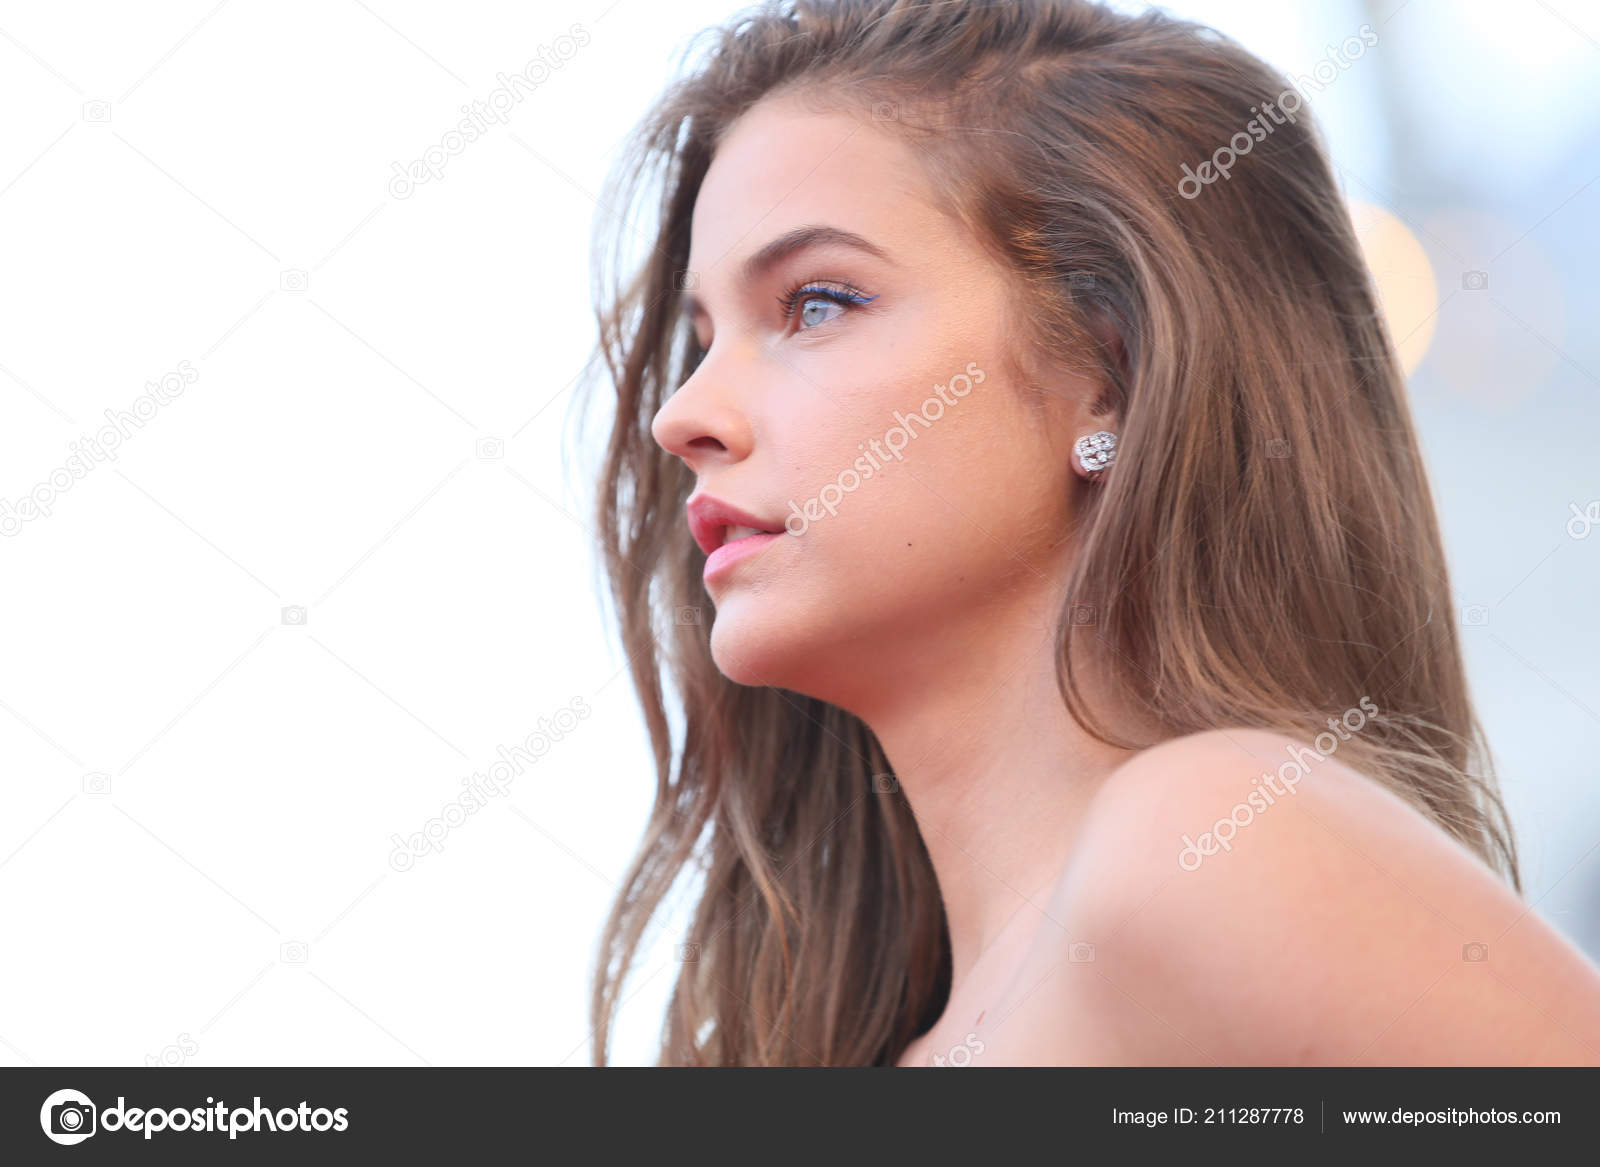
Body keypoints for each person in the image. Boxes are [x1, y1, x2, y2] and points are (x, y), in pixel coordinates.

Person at [583, 0, 1600, 1065]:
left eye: (818, 303)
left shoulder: (1208, 838)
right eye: (700, 339)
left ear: (1109, 377)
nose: (681, 415)